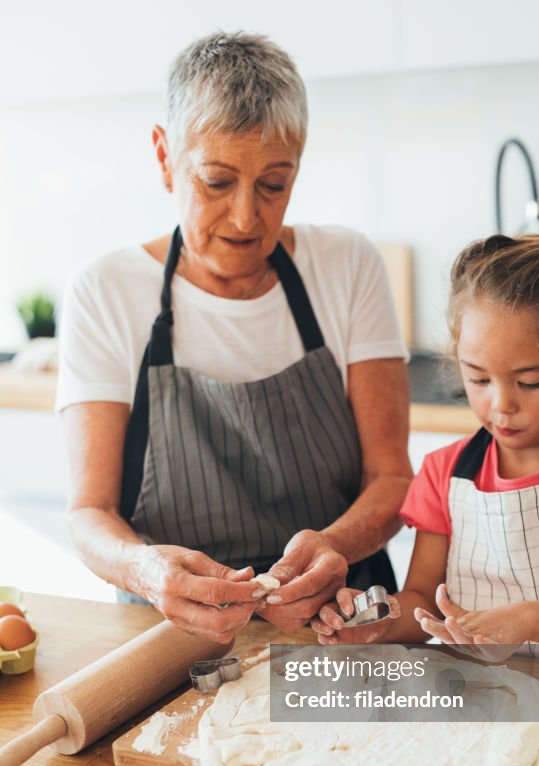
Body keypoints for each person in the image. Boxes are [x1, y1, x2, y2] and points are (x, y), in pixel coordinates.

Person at [57, 32, 412, 643]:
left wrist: (333, 545)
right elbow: (90, 514)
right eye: (217, 182)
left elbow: (393, 481)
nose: (247, 218)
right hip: (171, 640)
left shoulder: (347, 265)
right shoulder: (106, 290)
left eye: (273, 184)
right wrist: (144, 569)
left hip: (342, 625)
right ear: (165, 157)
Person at [312, 200, 539, 664]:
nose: (501, 404)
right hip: (489, 707)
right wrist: (375, 625)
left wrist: (526, 620)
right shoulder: (445, 473)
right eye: (479, 379)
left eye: (530, 382)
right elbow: (424, 598)